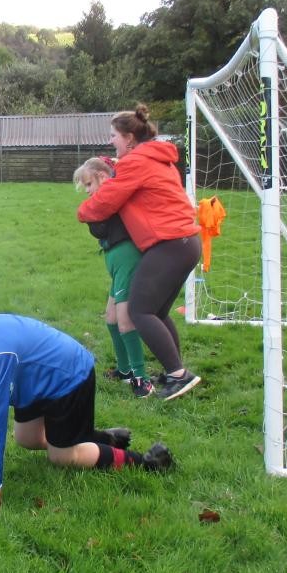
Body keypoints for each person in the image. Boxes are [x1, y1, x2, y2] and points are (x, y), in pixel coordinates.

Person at [0, 313, 173, 512]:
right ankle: (98, 439)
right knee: (26, 439)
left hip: (67, 377)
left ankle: (146, 462)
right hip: (32, 384)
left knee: (61, 456)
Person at [77, 105, 203, 401]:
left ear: (129, 138)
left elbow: (104, 202)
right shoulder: (155, 158)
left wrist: (82, 211)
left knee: (139, 311)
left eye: (114, 135)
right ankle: (175, 372)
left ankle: (178, 375)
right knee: (156, 312)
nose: (111, 141)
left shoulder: (136, 163)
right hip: (185, 243)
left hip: (170, 244)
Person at [72, 156, 154, 398]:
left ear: (103, 177)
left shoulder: (113, 193)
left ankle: (142, 379)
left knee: (124, 320)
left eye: (89, 184)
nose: (87, 191)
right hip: (116, 260)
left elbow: (99, 223)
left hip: (127, 258)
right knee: (111, 318)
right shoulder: (106, 198)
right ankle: (125, 370)